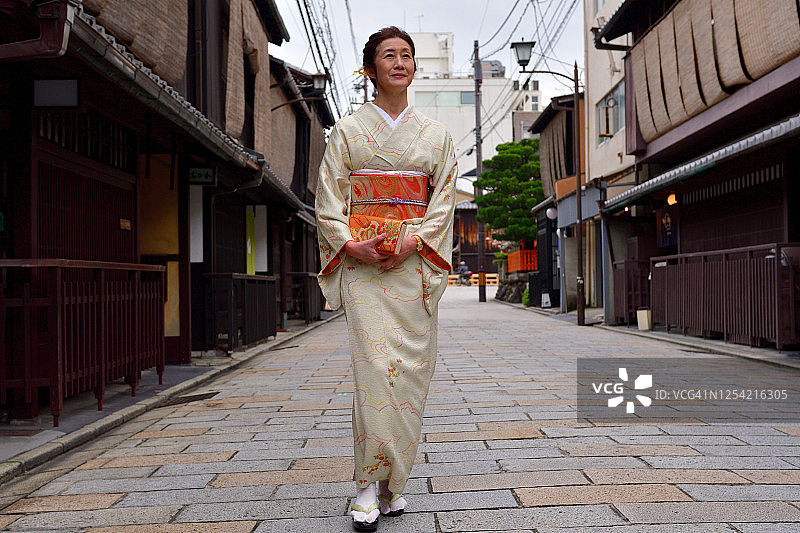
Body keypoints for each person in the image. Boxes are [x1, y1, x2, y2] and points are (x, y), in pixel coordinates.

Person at [315, 26, 457, 531]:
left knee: (410, 379)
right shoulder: (348, 132)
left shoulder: (436, 137)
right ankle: (364, 488)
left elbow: (443, 202)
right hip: (363, 268)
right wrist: (352, 244)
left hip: (413, 266)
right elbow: (329, 198)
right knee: (374, 375)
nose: (399, 62)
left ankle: (393, 483)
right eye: (387, 56)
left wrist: (413, 241)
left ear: (414, 67)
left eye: (406, 56)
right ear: (371, 69)